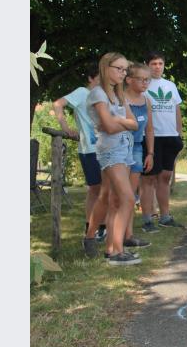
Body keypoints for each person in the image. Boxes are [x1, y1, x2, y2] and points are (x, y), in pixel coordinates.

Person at [86, 52, 141, 266]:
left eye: (125, 69)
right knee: (128, 198)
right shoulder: (98, 94)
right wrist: (121, 122)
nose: (123, 72)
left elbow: (135, 124)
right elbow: (107, 127)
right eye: (118, 68)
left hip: (124, 149)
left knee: (113, 198)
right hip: (110, 151)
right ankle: (116, 250)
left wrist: (117, 120)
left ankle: (105, 245)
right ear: (105, 67)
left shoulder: (119, 96)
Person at [52, 65, 104, 241]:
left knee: (107, 190)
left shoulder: (105, 96)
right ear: (90, 78)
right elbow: (58, 104)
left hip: (107, 148)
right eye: (99, 78)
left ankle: (102, 227)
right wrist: (65, 127)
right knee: (95, 190)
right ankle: (91, 227)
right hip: (89, 149)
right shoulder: (83, 92)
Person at [140, 51, 184, 232]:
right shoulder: (143, 85)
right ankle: (147, 219)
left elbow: (177, 110)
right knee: (148, 179)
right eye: (153, 63)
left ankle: (165, 217)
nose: (157, 67)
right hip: (150, 138)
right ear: (147, 64)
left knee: (165, 177)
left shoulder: (170, 85)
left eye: (160, 63)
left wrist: (179, 135)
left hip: (170, 136)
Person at [121, 63, 154, 249]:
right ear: (129, 80)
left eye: (147, 80)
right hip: (120, 147)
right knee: (120, 194)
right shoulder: (121, 98)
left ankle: (129, 235)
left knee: (131, 196)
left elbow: (149, 128)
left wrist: (150, 153)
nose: (144, 83)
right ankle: (106, 235)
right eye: (141, 79)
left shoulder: (146, 100)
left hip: (137, 148)